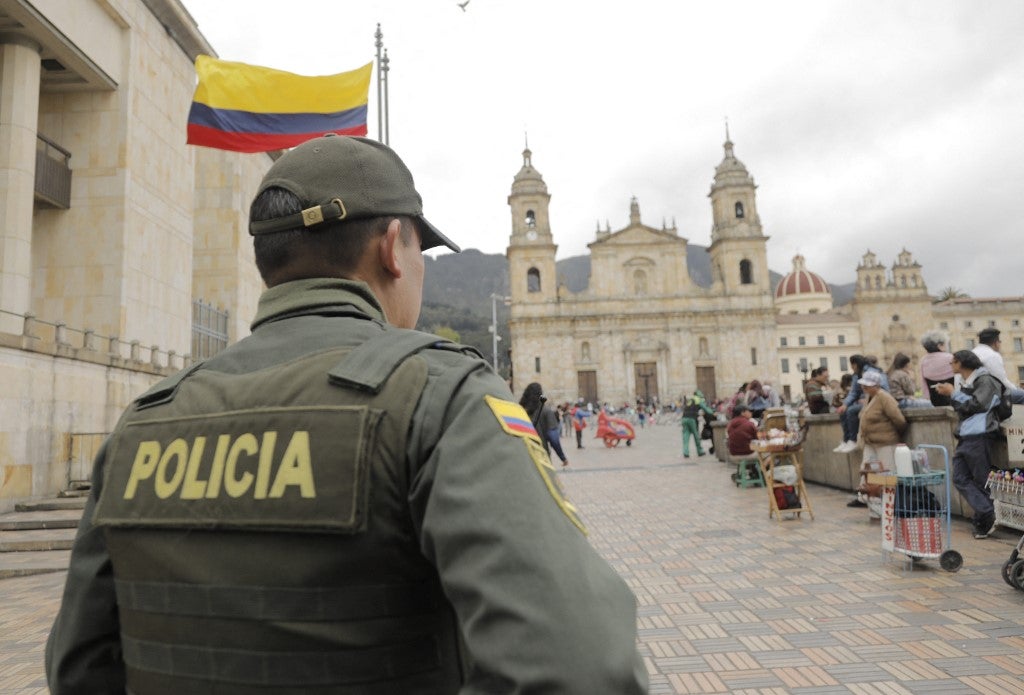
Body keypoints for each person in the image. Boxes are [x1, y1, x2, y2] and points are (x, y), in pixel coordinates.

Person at [45, 135, 646, 694]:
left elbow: (79, 664)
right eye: (420, 249)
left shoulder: (145, 420)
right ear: (391, 248)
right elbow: (581, 667)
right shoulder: (442, 395)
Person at [935, 350, 1007, 539]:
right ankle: (986, 513)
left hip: (980, 434)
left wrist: (953, 393)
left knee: (980, 478)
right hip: (968, 434)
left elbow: (978, 405)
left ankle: (985, 518)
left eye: (953, 361)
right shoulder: (970, 382)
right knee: (959, 477)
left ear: (962, 363)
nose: (951, 365)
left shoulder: (985, 380)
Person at [848, 370, 906, 508]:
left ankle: (889, 499)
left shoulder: (884, 397)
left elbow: (898, 419)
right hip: (870, 442)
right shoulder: (869, 397)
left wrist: (894, 435)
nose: (864, 388)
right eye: (863, 385)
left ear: (876, 385)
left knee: (887, 470)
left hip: (885, 441)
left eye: (867, 385)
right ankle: (864, 496)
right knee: (866, 468)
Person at [834, 355, 890, 453]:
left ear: (855, 364)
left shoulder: (872, 372)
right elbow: (854, 392)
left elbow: (883, 390)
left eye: (851, 365)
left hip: (874, 402)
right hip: (865, 401)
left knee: (852, 411)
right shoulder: (857, 374)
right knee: (844, 411)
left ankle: (853, 440)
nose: (851, 368)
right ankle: (846, 440)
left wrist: (867, 398)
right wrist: (845, 404)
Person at [520, 382, 569, 468]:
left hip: (522, 457)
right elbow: (553, 438)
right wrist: (563, 458)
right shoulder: (546, 411)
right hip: (541, 456)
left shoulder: (518, 411)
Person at [973, 327, 1024, 405]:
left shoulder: (973, 352)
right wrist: (1018, 390)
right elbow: (1002, 381)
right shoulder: (992, 355)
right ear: (996, 343)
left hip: (974, 392)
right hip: (987, 395)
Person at [919, 329, 955, 406]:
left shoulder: (923, 361)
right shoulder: (951, 358)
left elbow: (924, 383)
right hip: (954, 398)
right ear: (940, 346)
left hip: (935, 401)